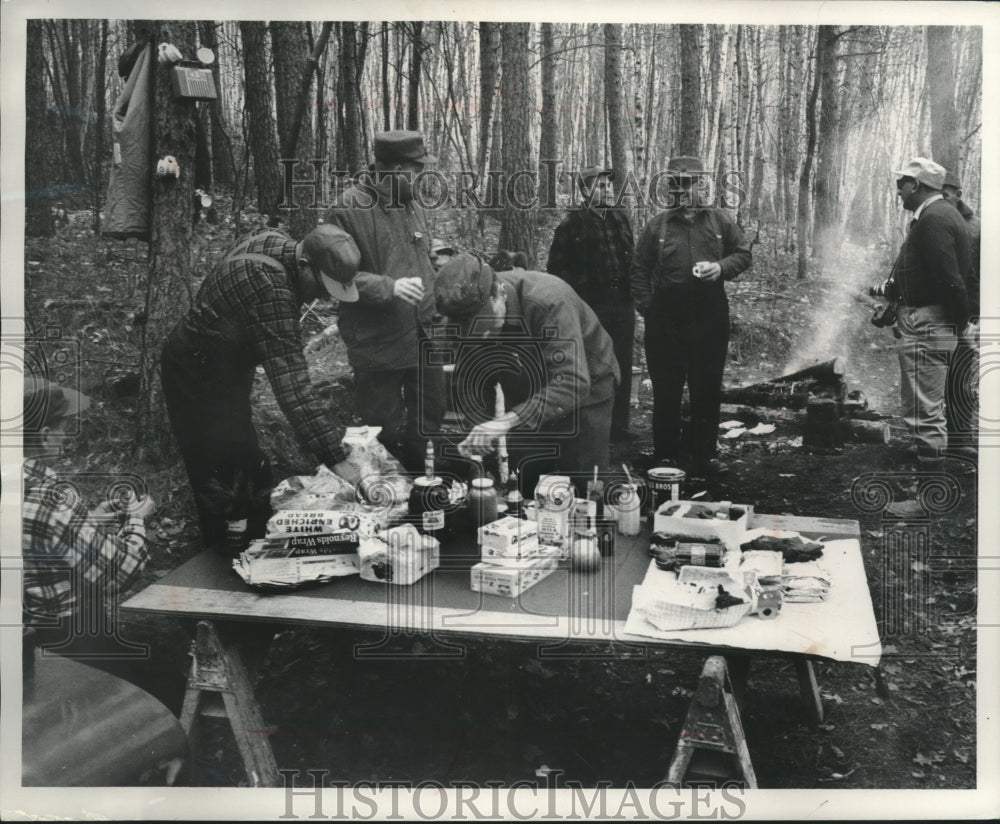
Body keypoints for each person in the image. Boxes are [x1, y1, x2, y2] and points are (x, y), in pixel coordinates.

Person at [161, 223, 362, 551]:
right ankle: (221, 555)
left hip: (222, 363)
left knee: (243, 460)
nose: (324, 296)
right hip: (193, 369)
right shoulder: (271, 288)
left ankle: (246, 537)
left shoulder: (274, 242)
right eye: (322, 286)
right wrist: (336, 458)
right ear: (304, 264)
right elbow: (293, 388)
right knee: (216, 465)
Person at [21, 377, 184, 710]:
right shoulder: (49, 498)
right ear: (44, 434)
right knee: (168, 686)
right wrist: (137, 520)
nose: (68, 432)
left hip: (21, 634)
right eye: (64, 424)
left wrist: (88, 522)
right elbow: (119, 573)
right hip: (67, 638)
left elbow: (32, 542)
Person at [434, 253, 619, 495]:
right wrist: (480, 436)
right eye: (475, 333)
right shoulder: (463, 317)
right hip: (526, 391)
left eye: (488, 327)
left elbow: (573, 382)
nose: (484, 337)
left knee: (585, 488)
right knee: (527, 485)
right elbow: (471, 381)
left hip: (587, 388)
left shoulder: (549, 301)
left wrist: (506, 421)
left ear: (498, 293)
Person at [323, 130, 446, 472]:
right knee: (381, 429)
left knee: (429, 419)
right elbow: (332, 277)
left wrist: (435, 258)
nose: (422, 177)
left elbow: (417, 253)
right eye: (416, 169)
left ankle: (427, 488)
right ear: (392, 168)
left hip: (423, 334)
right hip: (379, 343)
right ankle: (387, 498)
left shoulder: (411, 205)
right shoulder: (348, 209)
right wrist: (387, 286)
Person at [630, 156, 752, 476]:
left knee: (706, 387)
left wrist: (721, 268)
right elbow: (639, 269)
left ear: (702, 185)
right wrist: (648, 309)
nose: (683, 191)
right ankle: (666, 454)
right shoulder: (658, 225)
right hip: (666, 318)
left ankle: (705, 454)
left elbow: (742, 254)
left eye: (689, 184)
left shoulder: (720, 221)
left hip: (709, 315)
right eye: (676, 184)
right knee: (666, 389)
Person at [890, 158, 974, 466]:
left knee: (924, 411)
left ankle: (929, 499)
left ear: (916, 185)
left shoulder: (935, 219)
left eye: (902, 184)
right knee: (926, 407)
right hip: (932, 319)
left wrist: (961, 324)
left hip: (929, 323)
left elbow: (950, 280)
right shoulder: (941, 215)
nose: (899, 191)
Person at [547, 166, 637, 441]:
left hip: (621, 305)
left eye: (609, 185)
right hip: (590, 309)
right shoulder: (571, 225)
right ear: (585, 191)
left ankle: (619, 427)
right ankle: (592, 428)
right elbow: (557, 271)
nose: (607, 190)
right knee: (593, 367)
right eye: (600, 186)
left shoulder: (620, 219)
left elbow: (630, 261)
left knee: (620, 364)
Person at [941, 170, 980, 456]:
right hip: (937, 310)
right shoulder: (931, 220)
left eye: (945, 196)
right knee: (932, 376)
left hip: (968, 313)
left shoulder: (975, 228)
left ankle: (960, 440)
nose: (941, 202)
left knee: (960, 376)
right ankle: (932, 437)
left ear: (958, 195)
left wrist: (973, 318)